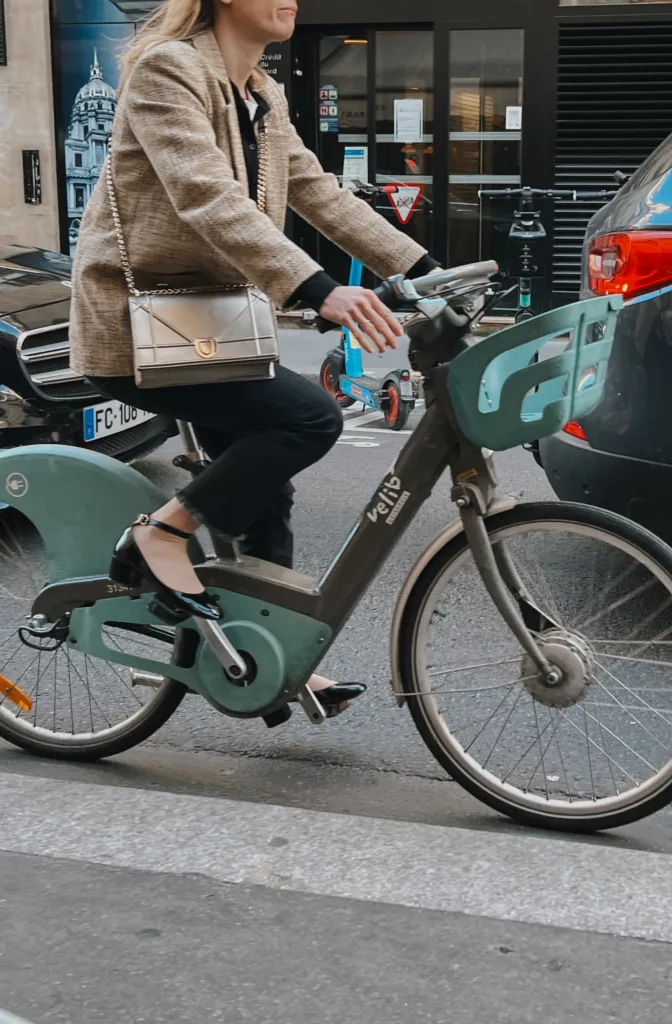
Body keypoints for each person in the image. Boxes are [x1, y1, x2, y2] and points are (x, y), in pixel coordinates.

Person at [69, 0, 438, 716]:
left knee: (269, 489)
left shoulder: (262, 93)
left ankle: (271, 657)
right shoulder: (167, 70)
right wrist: (318, 288)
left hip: (214, 323)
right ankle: (158, 537)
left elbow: (320, 194)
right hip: (140, 325)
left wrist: (425, 269)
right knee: (307, 420)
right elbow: (206, 198)